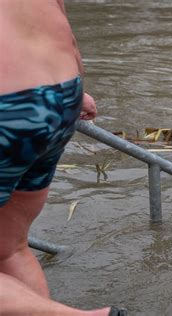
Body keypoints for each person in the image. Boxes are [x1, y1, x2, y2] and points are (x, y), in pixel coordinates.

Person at [0, 1, 126, 315]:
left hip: (6, 106)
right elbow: (65, 33)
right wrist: (77, 92)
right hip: (60, 93)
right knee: (9, 248)